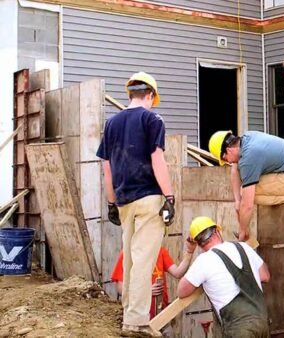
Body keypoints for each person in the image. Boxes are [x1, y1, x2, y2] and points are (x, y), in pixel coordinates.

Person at [97, 72, 175, 337]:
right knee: (144, 259)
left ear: (130, 94)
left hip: (123, 200)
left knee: (130, 258)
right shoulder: (152, 119)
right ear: (150, 95)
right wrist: (170, 196)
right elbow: (157, 159)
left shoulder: (111, 123)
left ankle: (129, 314)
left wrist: (111, 202)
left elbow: (106, 167)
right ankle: (137, 321)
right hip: (148, 197)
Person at [208, 130, 284, 241]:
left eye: (225, 159)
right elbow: (234, 170)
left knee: (247, 196)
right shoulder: (247, 138)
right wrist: (236, 201)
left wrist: (241, 235)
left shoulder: (249, 158)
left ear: (228, 150)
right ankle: (246, 234)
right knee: (243, 198)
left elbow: (247, 205)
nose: (228, 162)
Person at [177, 216, 270, 337]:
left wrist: (189, 252)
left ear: (198, 244)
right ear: (216, 231)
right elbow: (265, 276)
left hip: (239, 329)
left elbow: (181, 291)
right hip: (262, 322)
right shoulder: (244, 247)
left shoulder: (204, 261)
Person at [111, 242, 196, 319]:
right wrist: (146, 292)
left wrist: (189, 253)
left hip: (161, 313)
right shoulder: (127, 254)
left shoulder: (160, 251)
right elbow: (120, 288)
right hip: (139, 317)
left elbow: (177, 273)